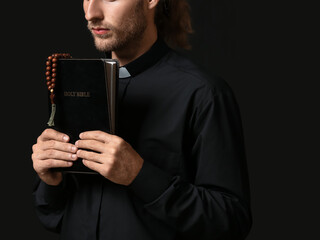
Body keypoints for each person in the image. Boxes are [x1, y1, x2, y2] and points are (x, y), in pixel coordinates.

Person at [31, 0, 252, 239]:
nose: (91, 13)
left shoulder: (203, 94)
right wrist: (51, 182)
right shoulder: (75, 83)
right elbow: (54, 218)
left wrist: (140, 175)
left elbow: (231, 222)